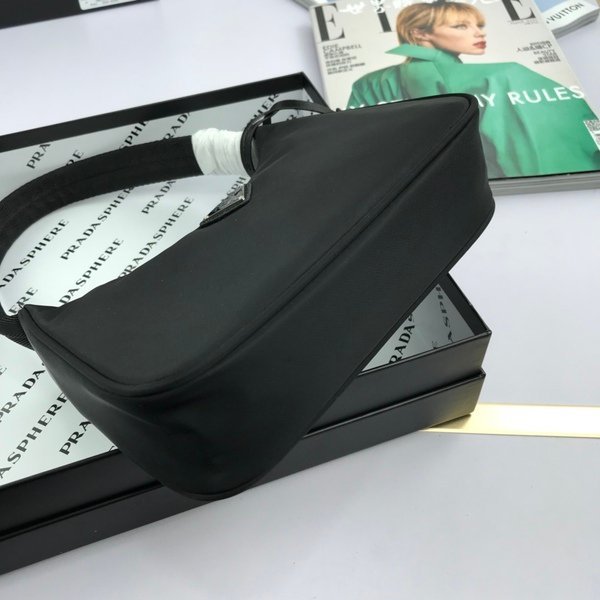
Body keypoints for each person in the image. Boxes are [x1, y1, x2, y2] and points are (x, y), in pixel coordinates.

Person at [347, 1, 600, 178]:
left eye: (478, 25)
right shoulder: (504, 74)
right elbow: (540, 160)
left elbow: (359, 148)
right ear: (420, 34)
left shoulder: (368, 82)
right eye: (461, 26)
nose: (479, 34)